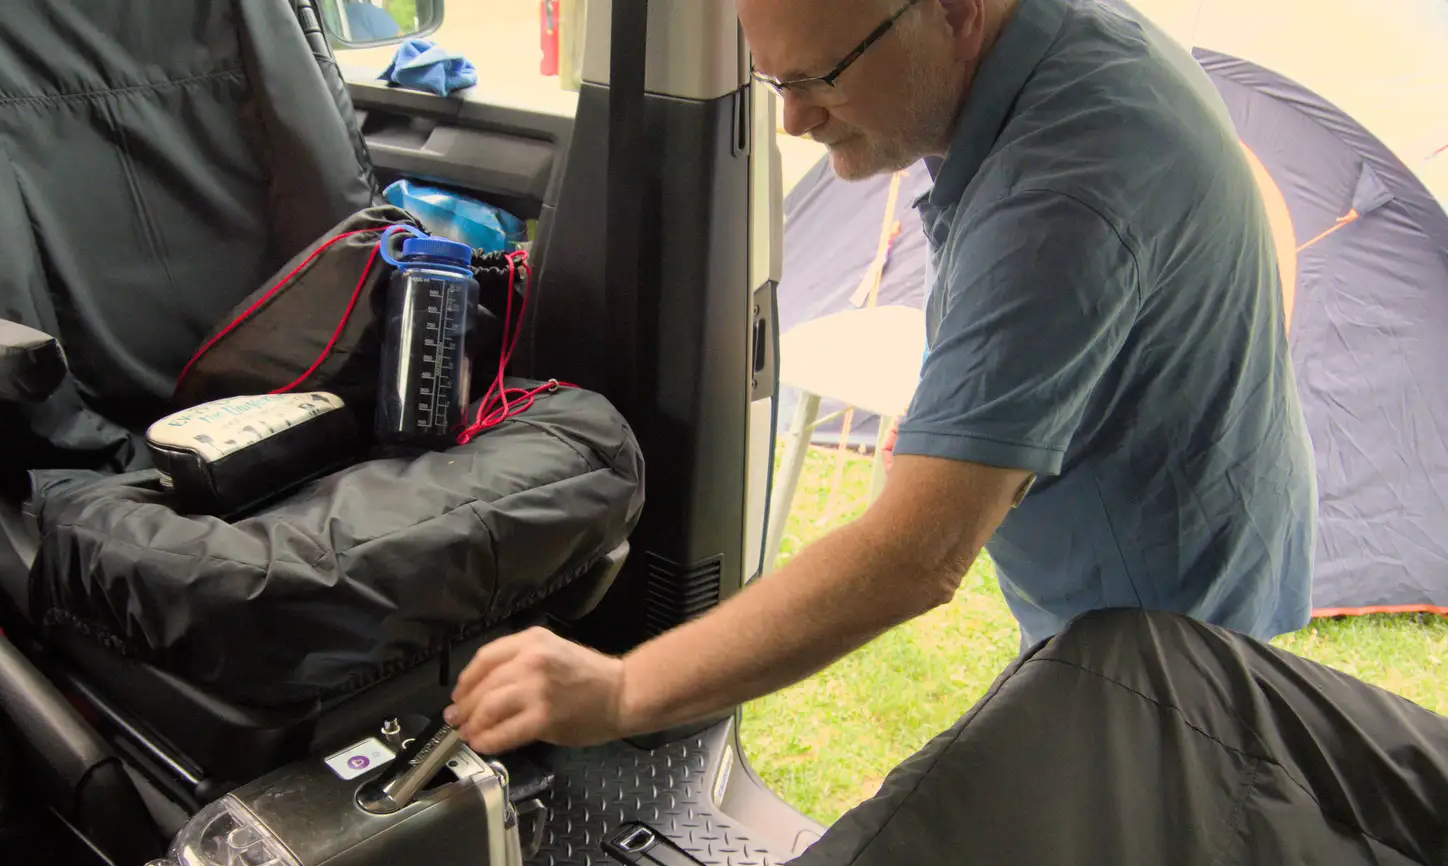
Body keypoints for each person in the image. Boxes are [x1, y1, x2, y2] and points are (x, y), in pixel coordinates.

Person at [444, 0, 1318, 756]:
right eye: (773, 83)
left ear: (955, 10)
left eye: (820, 78)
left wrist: (622, 693)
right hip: (1161, 550)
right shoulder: (1055, 47)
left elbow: (913, 557)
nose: (792, 122)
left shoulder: (1061, 196)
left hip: (1165, 633)